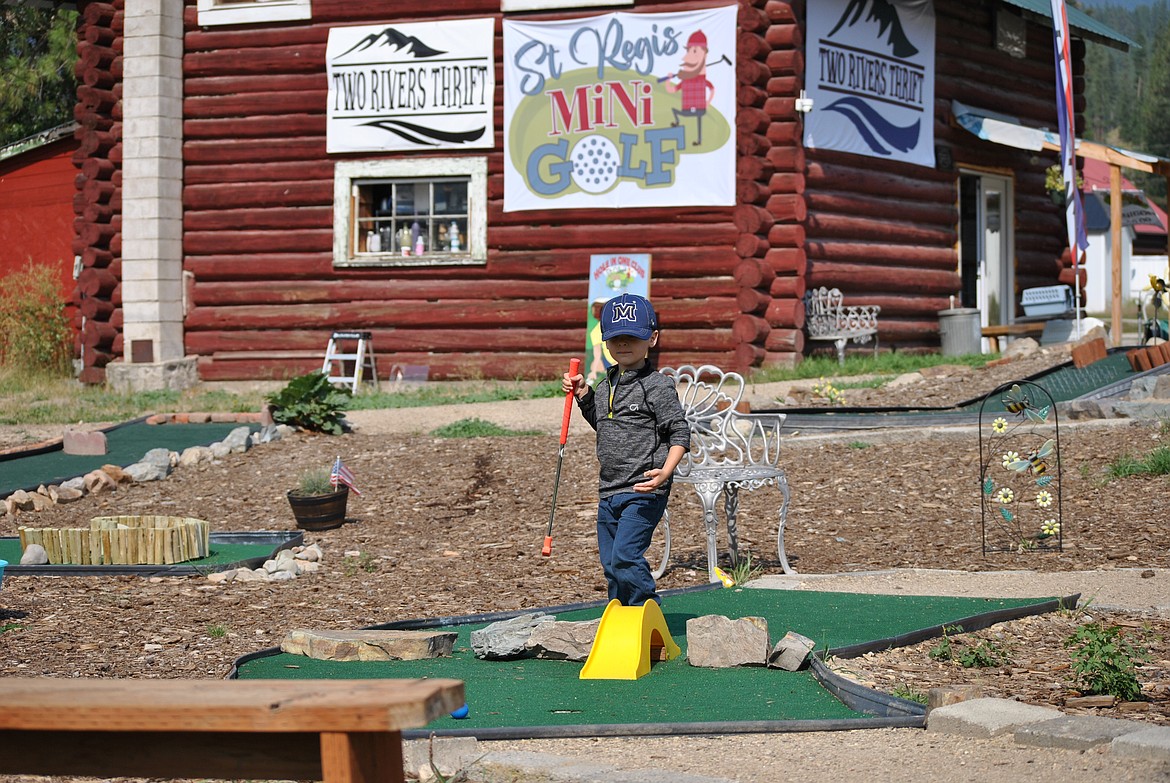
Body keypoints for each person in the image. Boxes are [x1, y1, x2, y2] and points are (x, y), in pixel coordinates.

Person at [562, 293, 690, 606]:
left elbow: (680, 432)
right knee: (611, 565)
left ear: (652, 339)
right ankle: (619, 621)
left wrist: (665, 472)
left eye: (632, 337)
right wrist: (583, 396)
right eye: (616, 338)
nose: (623, 345)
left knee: (625, 557)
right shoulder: (606, 384)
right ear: (605, 341)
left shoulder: (657, 385)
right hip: (609, 490)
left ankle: (647, 613)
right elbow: (605, 424)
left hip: (644, 488)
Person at [664, 30, 715, 146]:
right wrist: (668, 80)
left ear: (705, 54)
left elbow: (711, 88)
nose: (685, 58)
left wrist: (708, 101)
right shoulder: (685, 81)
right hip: (686, 110)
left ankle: (699, 140)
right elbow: (671, 90)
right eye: (688, 51)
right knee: (676, 111)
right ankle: (677, 122)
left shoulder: (701, 79)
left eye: (694, 51)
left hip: (699, 108)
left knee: (699, 121)